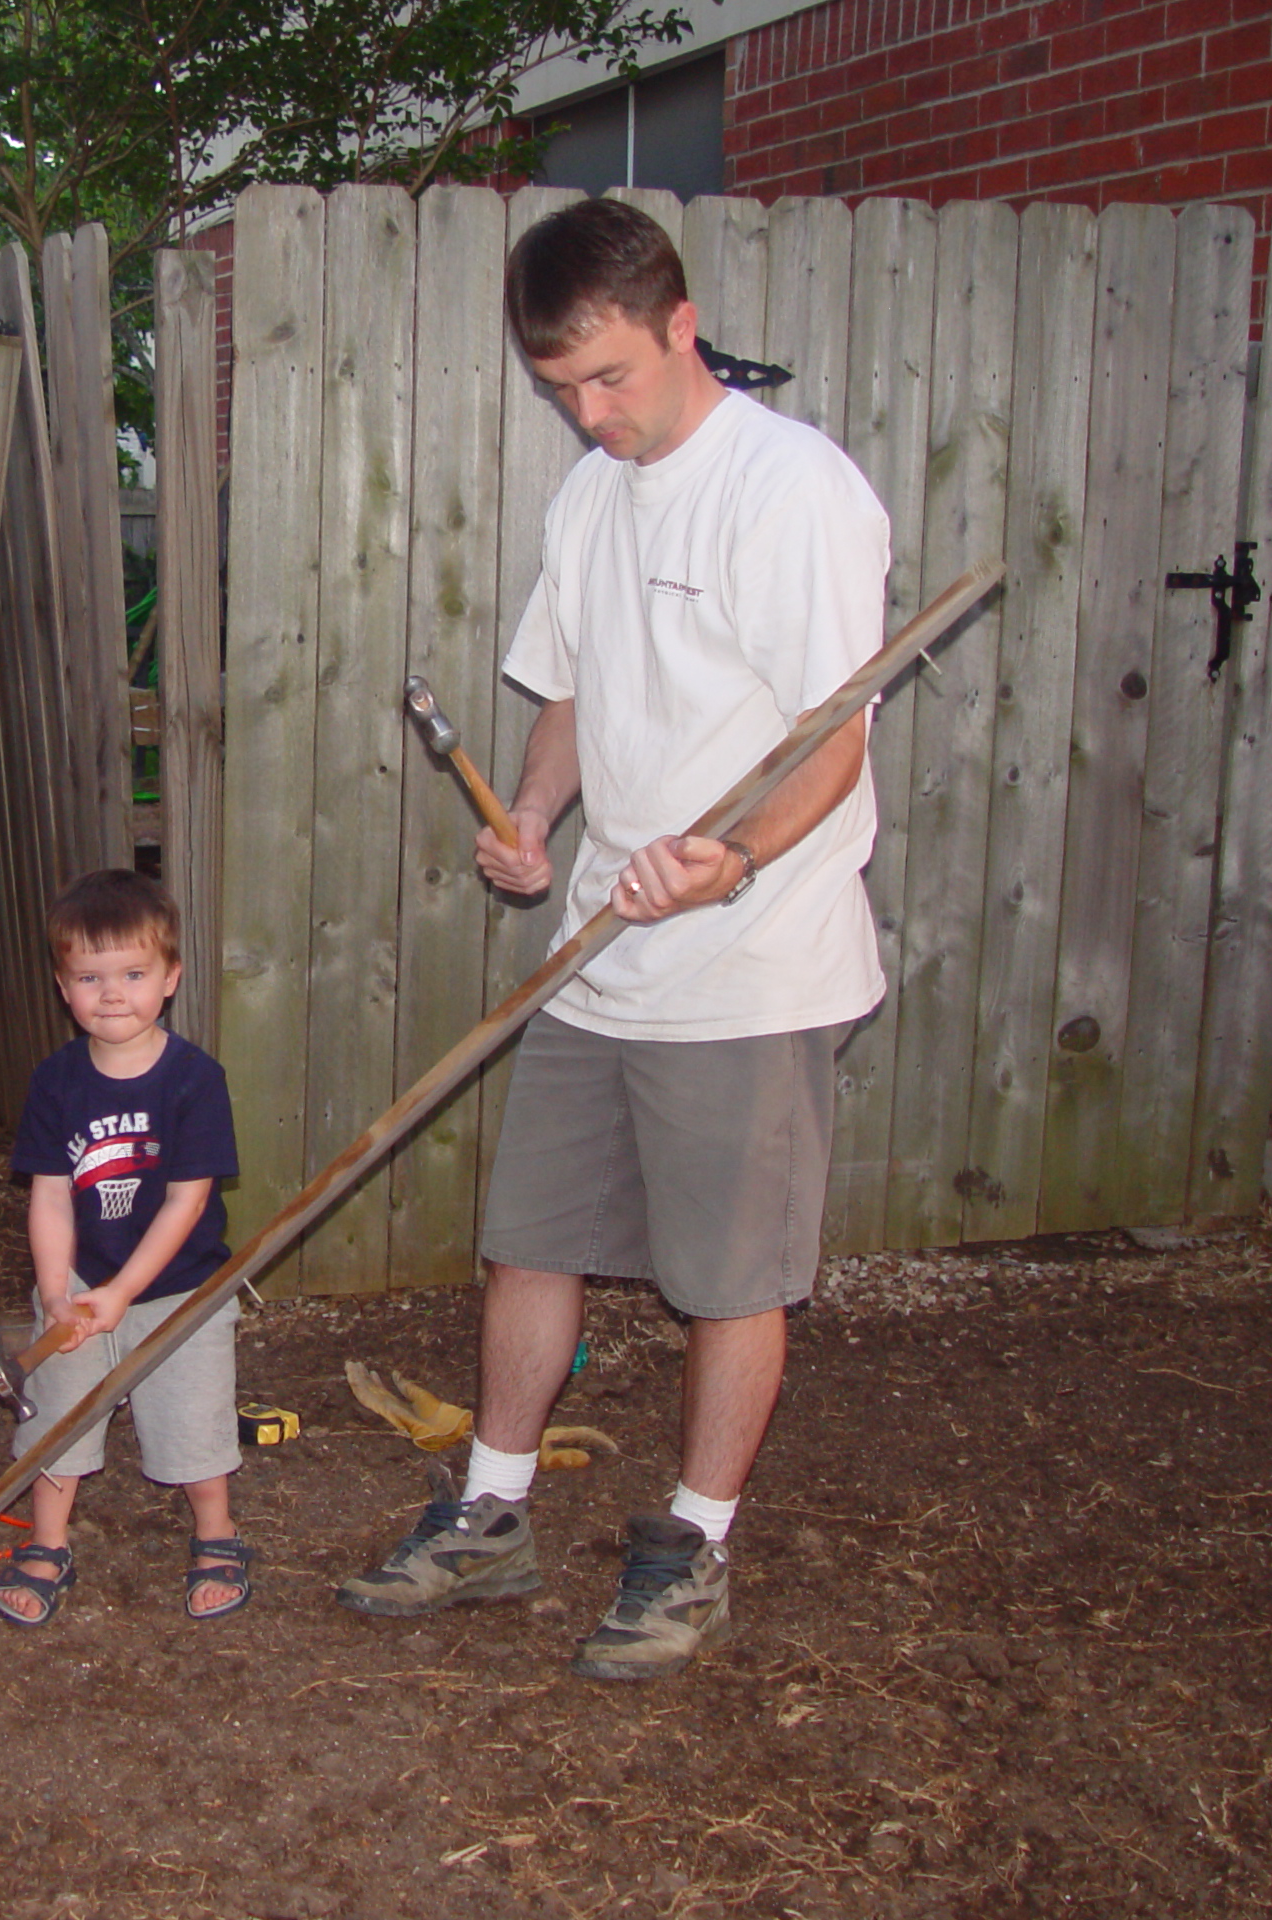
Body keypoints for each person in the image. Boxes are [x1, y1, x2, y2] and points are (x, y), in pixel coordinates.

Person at [337, 197, 890, 1682]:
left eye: (611, 380)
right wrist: (530, 822)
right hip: (601, 951)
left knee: (731, 1275)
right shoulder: (590, 499)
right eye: (561, 391)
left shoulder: (793, 491)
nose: (591, 416)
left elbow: (834, 740)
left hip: (751, 958)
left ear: (678, 325)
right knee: (532, 1241)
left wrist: (731, 859)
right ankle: (494, 1516)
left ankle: (697, 1544)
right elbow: (571, 694)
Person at [0, 868, 248, 1626]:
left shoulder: (194, 1081)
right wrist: (55, 1291)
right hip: (82, 1277)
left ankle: (217, 1533)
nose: (112, 994)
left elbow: (187, 1199)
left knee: (193, 1415)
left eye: (133, 974)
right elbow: (47, 1192)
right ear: (62, 987)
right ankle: (47, 1544)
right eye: (89, 977)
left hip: (180, 1287)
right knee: (57, 1412)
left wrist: (126, 1292)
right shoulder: (55, 1081)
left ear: (169, 978)